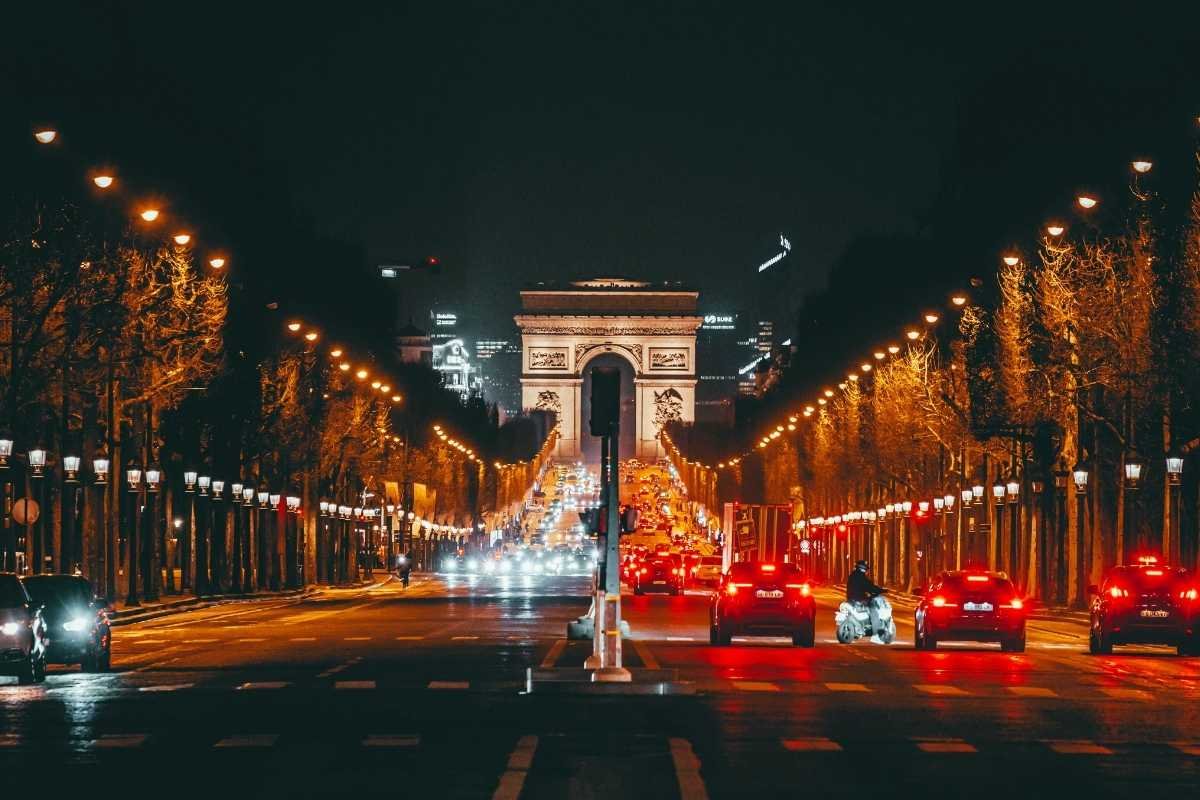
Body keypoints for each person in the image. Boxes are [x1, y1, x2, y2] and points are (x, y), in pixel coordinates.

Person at [846, 560, 885, 642]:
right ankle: (876, 633)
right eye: (865, 569)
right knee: (873, 609)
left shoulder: (852, 575)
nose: (866, 571)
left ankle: (861, 627)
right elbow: (869, 587)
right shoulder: (861, 577)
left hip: (850, 599)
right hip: (860, 598)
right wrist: (880, 590)